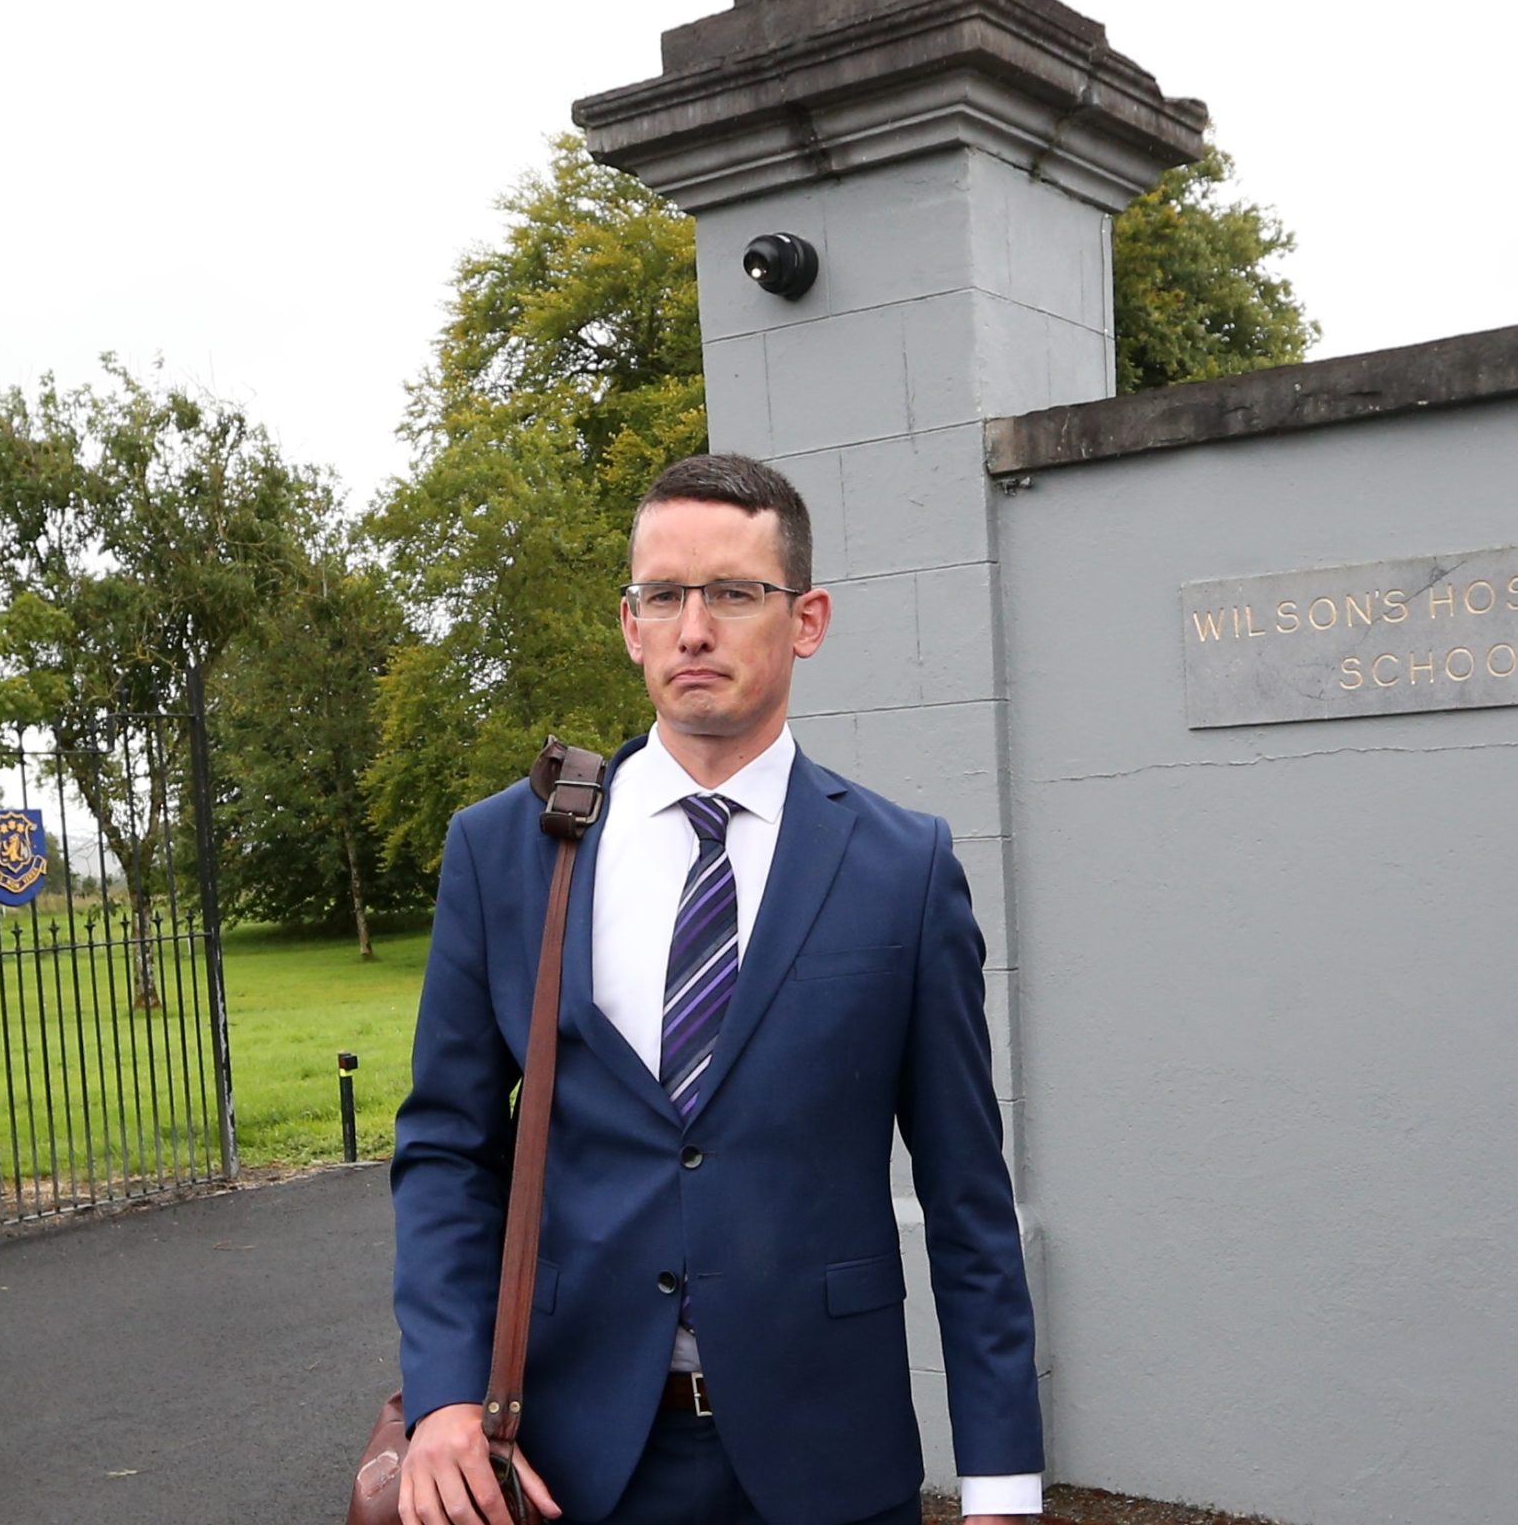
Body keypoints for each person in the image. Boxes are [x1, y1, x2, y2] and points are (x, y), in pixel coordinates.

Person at [391, 453, 1044, 1525]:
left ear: (807, 620)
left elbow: (969, 1203)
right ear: (631, 622)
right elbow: (447, 1156)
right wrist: (445, 1398)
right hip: (568, 1463)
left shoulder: (902, 867)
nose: (695, 628)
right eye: (665, 595)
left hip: (828, 1461)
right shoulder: (507, 851)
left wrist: (1004, 1490)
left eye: (734, 593)